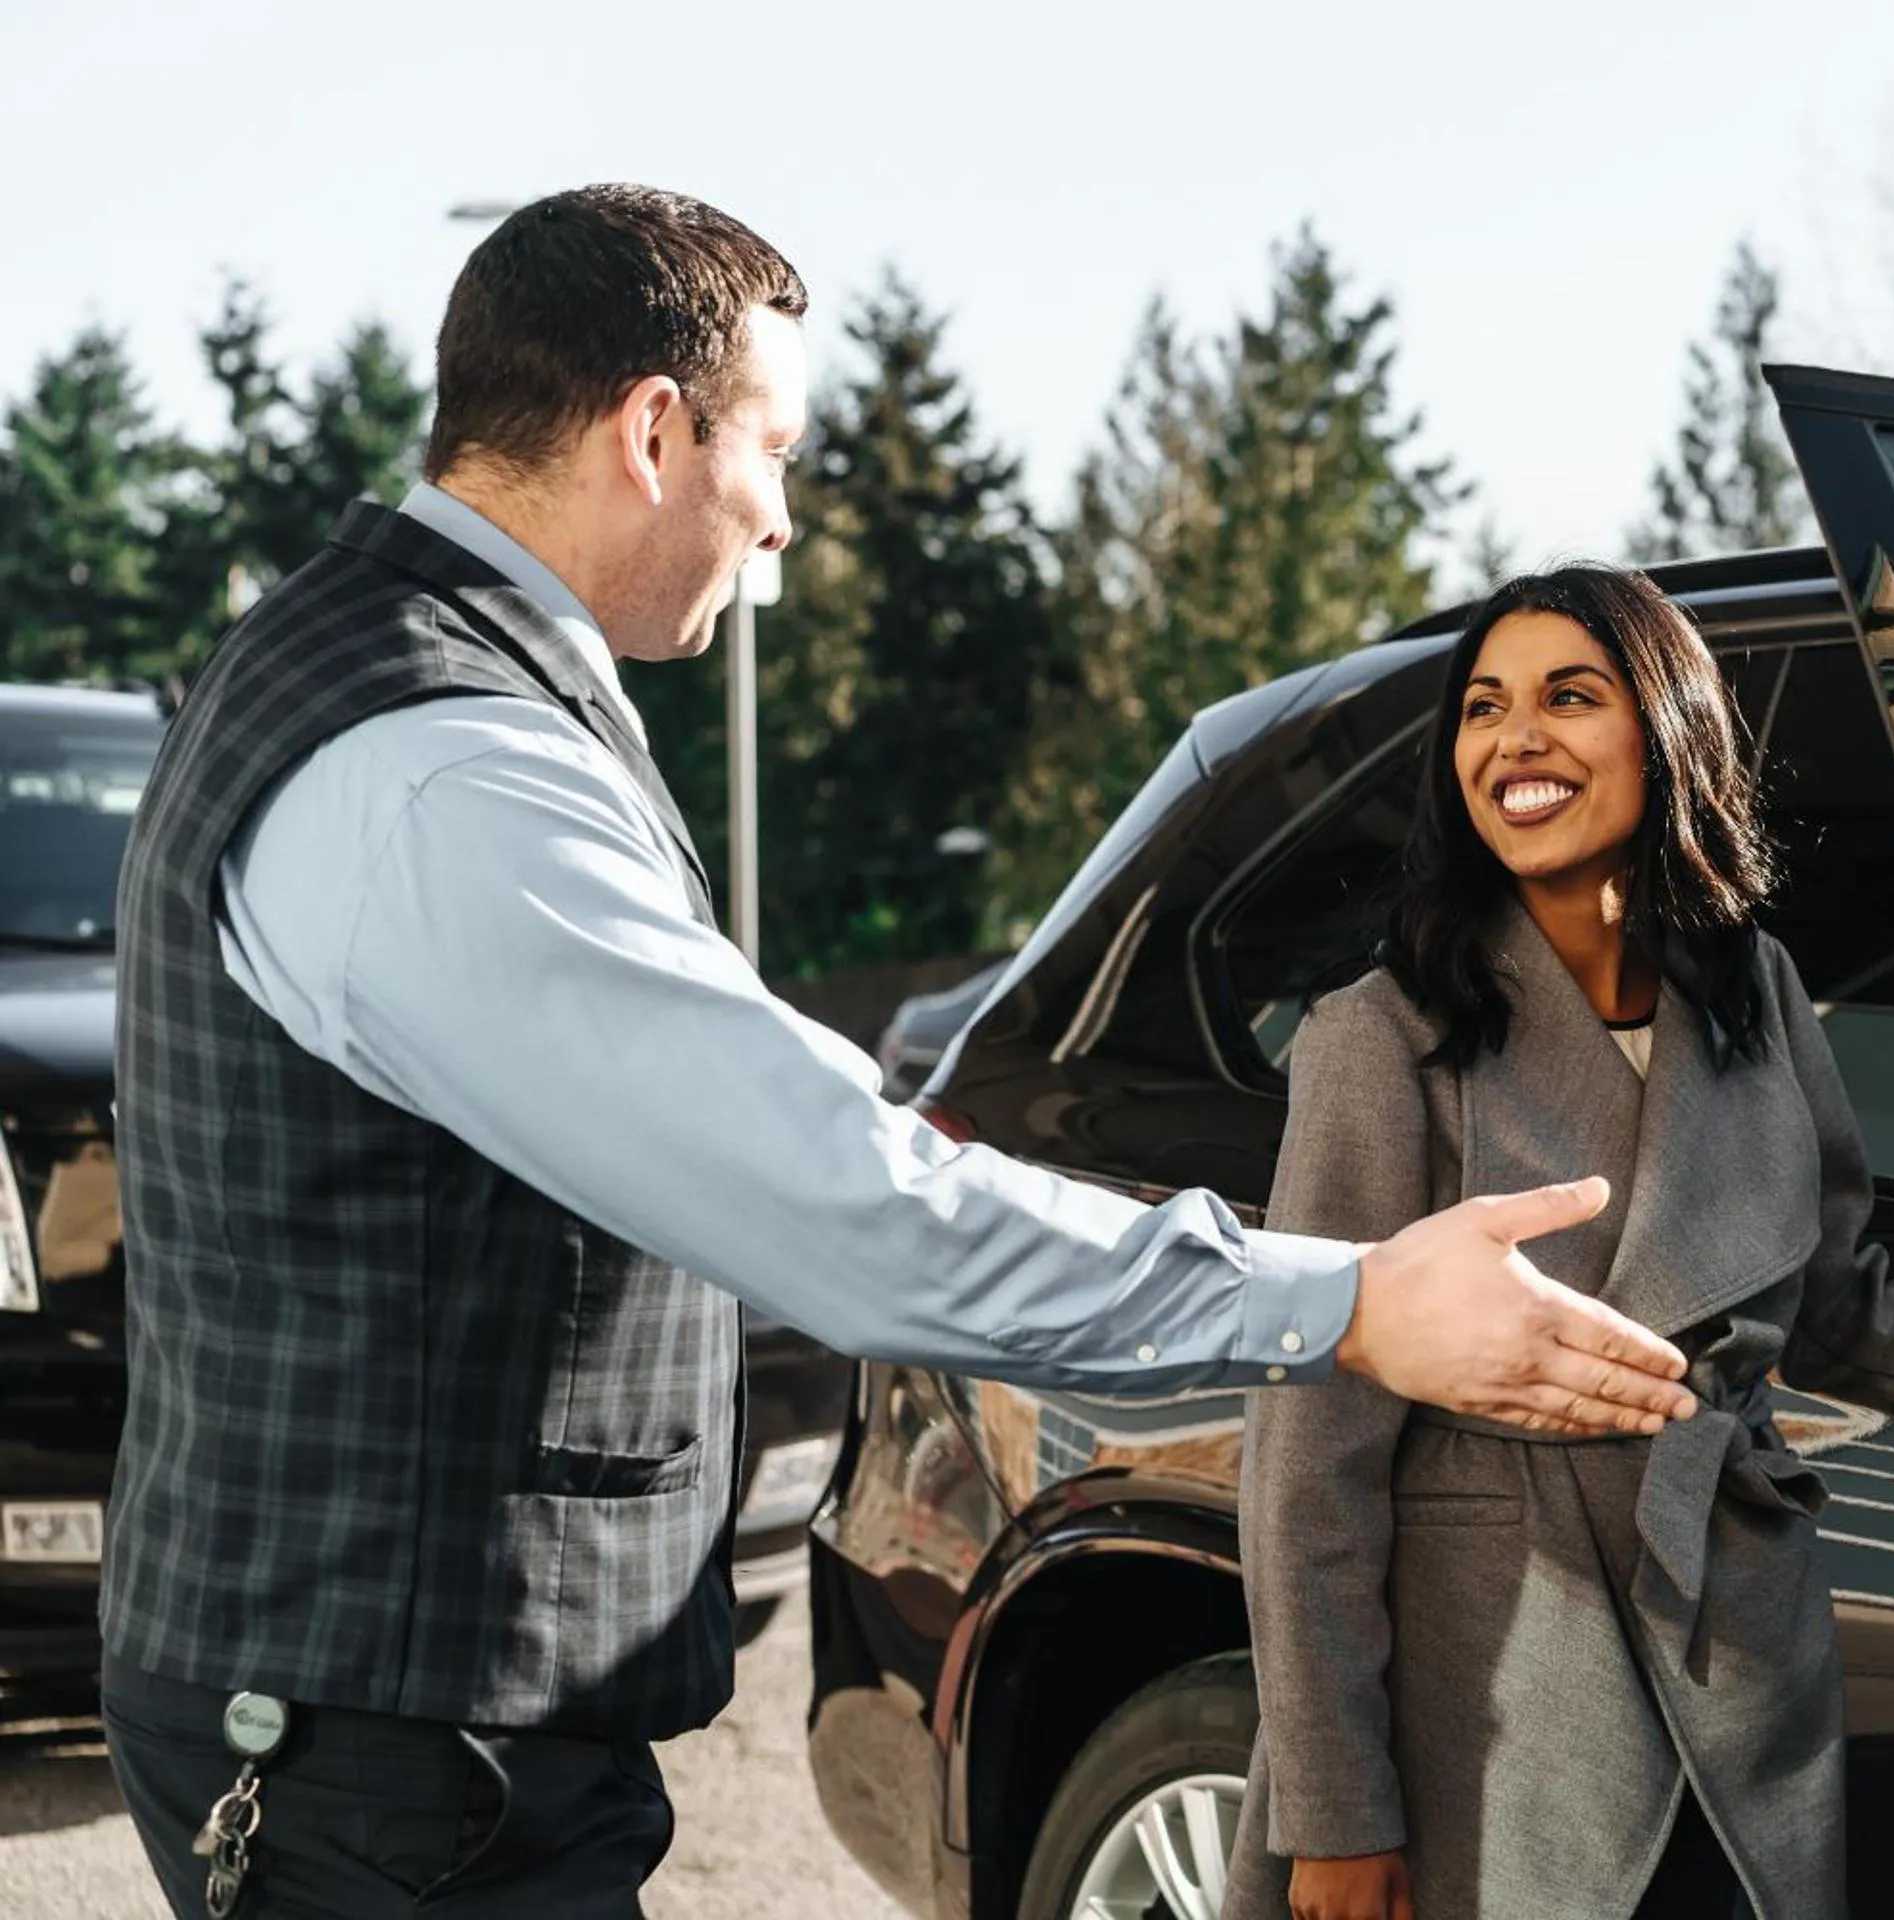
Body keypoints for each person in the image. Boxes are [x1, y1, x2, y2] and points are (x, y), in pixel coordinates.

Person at [98, 187, 1693, 1920]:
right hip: (390, 1760)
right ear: (653, 431)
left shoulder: (373, 677)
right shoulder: (447, 771)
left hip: (379, 1724)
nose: (780, 519)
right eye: (773, 453)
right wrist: (1348, 1300)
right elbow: (850, 1209)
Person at [1225, 566, 1894, 1920]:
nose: (1516, 738)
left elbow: (1845, 1318)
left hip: (1738, 1648)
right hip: (1487, 1686)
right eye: (1484, 708)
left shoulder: (1755, 996)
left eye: (1570, 697)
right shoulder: (1381, 1038)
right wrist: (1337, 1811)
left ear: (1667, 732)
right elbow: (1305, 1465)